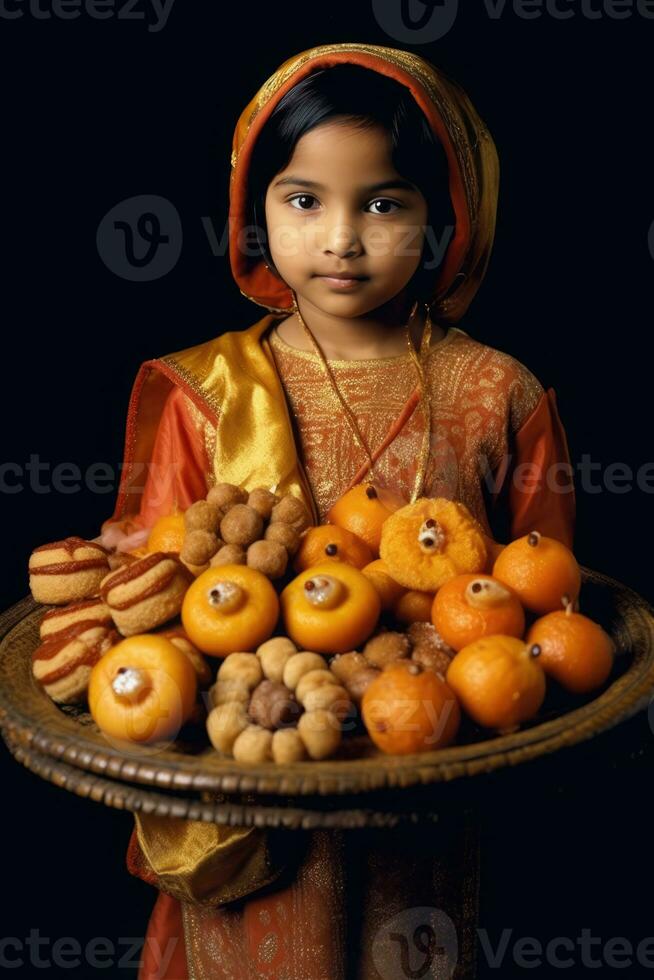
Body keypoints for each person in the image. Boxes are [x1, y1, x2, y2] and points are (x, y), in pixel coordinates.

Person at [99, 42, 576, 980]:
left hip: (431, 793)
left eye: (385, 203)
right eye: (304, 199)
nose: (341, 237)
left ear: (447, 215)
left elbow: (550, 609)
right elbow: (150, 597)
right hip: (251, 801)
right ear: (254, 205)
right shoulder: (211, 393)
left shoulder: (497, 392)